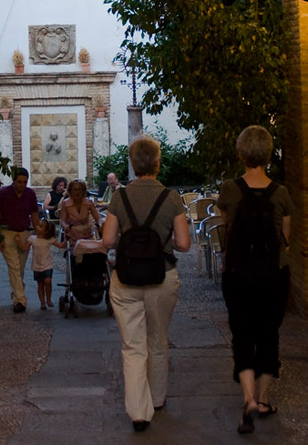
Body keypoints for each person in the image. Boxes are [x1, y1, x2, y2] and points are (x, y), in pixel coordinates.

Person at [101, 135, 191, 432]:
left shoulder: (119, 197)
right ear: (157, 162)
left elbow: (108, 240)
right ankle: (158, 397)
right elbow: (184, 244)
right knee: (158, 339)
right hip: (162, 276)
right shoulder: (172, 197)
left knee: (133, 346)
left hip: (125, 279)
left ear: (132, 163)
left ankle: (139, 413)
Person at [215, 125, 294, 434]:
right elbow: (286, 237)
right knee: (269, 333)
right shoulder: (282, 193)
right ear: (268, 153)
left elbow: (227, 227)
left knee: (243, 333)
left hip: (238, 273)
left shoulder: (229, 189)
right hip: (274, 272)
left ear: (241, 153)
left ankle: (247, 398)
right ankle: (263, 399)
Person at [0, 167, 40, 313]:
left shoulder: (30, 194)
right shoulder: (4, 193)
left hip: (24, 233)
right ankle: (20, 301)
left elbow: (34, 214)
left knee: (19, 269)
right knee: (13, 267)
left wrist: (38, 232)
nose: (22, 185)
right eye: (19, 182)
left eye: (25, 182)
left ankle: (16, 294)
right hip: (7, 233)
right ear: (13, 181)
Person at [23, 220, 66, 310]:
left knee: (47, 281)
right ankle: (42, 302)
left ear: (46, 231)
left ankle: (48, 299)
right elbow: (24, 248)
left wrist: (67, 239)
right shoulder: (32, 239)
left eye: (40, 226)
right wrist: (18, 241)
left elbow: (60, 245)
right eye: (38, 225)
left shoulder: (49, 240)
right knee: (40, 284)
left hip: (47, 264)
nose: (37, 227)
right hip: (37, 265)